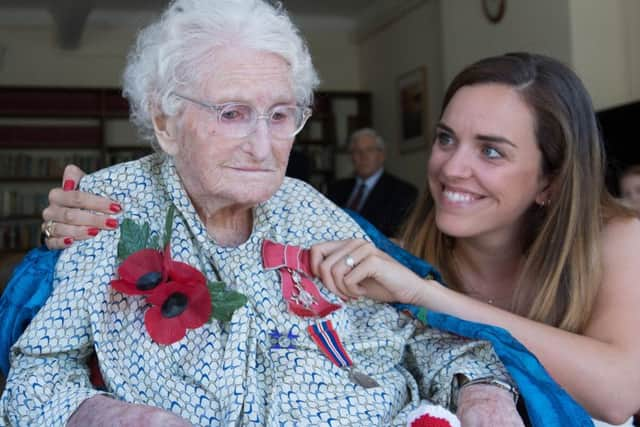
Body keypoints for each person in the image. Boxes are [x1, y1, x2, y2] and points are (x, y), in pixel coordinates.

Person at [0, 1, 526, 426]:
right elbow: (34, 378)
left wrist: (481, 391)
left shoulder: (309, 210)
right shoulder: (110, 209)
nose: (263, 145)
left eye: (280, 115)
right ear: (165, 121)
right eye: (232, 113)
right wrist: (104, 414)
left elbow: (414, 337)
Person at [310, 53, 640, 427]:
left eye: (491, 151)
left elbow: (618, 395)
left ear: (551, 181)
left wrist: (425, 295)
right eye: (446, 139)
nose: (451, 168)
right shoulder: (394, 263)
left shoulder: (616, 239)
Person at [327, 128, 417, 237]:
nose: (363, 156)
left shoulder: (403, 192)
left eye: (369, 150)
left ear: (382, 155)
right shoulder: (336, 188)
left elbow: (395, 238)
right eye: (357, 151)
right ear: (351, 157)